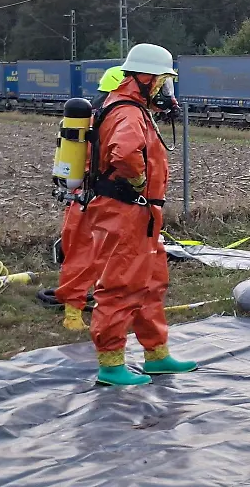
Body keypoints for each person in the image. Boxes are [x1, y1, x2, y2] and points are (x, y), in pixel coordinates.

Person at [84, 43, 195, 387]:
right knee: (120, 285)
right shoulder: (128, 113)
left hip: (141, 215)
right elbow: (126, 151)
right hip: (125, 212)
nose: (166, 89)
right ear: (146, 77)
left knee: (150, 283)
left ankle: (157, 355)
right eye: (163, 81)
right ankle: (111, 364)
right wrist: (138, 180)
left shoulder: (133, 109)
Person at [38, 66, 127, 330]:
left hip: (88, 197)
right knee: (84, 256)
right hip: (92, 199)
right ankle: (73, 313)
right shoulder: (103, 121)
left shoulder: (94, 117)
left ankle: (95, 305)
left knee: (95, 255)